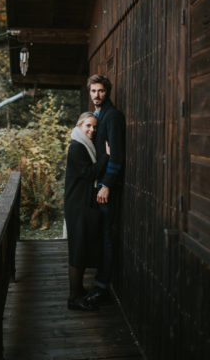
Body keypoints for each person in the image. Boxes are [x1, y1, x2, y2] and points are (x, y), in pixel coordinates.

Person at [84, 74, 126, 305]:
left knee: (107, 237)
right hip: (95, 184)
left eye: (100, 91)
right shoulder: (97, 116)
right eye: (93, 91)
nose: (96, 95)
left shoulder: (112, 116)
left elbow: (117, 155)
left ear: (107, 92)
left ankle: (102, 288)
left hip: (105, 188)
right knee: (99, 236)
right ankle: (97, 281)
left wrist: (107, 184)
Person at [64, 112, 108, 311]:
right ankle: (73, 297)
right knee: (77, 248)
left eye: (95, 127)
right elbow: (89, 173)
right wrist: (106, 157)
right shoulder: (76, 148)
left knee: (81, 246)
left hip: (81, 203)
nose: (92, 130)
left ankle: (79, 290)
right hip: (77, 205)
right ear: (79, 126)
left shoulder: (83, 146)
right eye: (88, 126)